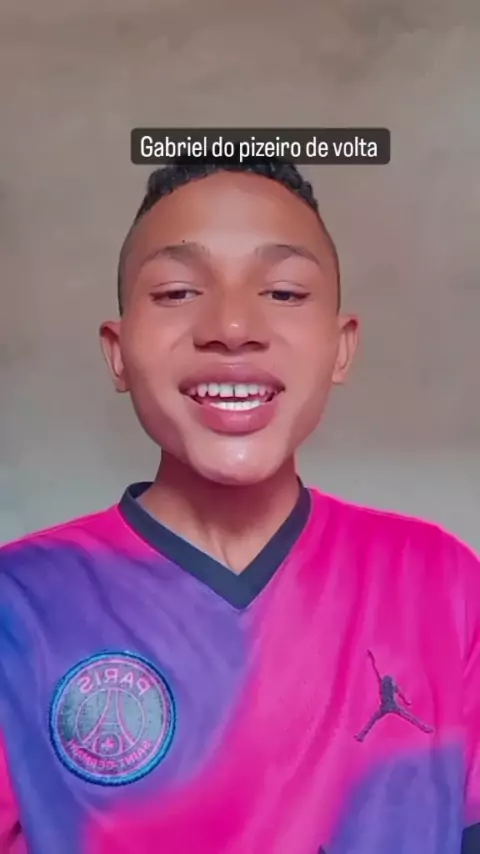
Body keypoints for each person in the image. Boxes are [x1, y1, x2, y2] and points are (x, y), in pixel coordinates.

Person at [0, 151, 479, 854]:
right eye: (176, 292)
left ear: (341, 348)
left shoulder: (439, 581)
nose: (231, 327)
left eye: (283, 292)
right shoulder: (18, 606)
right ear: (118, 351)